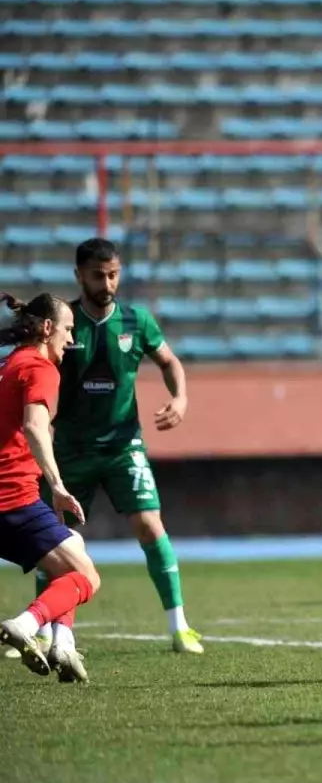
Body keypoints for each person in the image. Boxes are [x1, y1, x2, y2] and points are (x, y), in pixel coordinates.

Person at [36, 238, 200, 655]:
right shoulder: (64, 321)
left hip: (124, 445)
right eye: (98, 275)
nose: (107, 283)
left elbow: (170, 362)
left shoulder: (136, 320)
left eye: (113, 274)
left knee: (149, 524)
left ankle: (180, 626)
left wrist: (179, 399)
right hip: (71, 448)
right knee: (59, 540)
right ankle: (42, 629)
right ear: (79, 275)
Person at [0, 293, 101, 683]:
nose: (71, 339)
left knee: (72, 547)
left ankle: (63, 643)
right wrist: (56, 485)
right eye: (68, 329)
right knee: (88, 578)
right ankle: (27, 624)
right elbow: (34, 426)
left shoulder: (8, 364)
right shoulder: (40, 368)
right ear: (47, 328)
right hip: (14, 499)